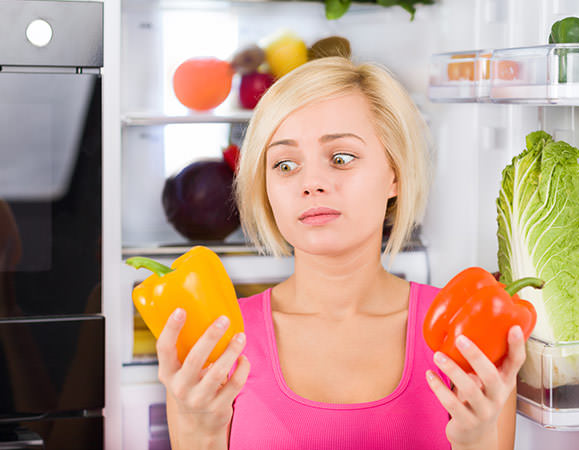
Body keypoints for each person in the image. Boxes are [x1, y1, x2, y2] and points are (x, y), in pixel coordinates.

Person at [156, 56, 526, 450]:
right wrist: (200, 433)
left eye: (341, 158)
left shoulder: (468, 334)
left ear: (394, 174)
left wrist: (478, 442)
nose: (312, 183)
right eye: (285, 164)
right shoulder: (217, 344)